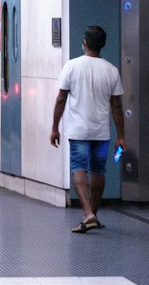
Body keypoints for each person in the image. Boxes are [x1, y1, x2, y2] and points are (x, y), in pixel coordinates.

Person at [50, 23, 126, 233]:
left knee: (79, 168)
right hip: (101, 132)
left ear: (84, 44)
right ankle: (92, 215)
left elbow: (60, 99)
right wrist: (121, 136)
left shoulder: (72, 66)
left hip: (78, 131)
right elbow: (117, 106)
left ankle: (88, 214)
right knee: (98, 171)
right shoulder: (112, 70)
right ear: (102, 45)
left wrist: (54, 127)